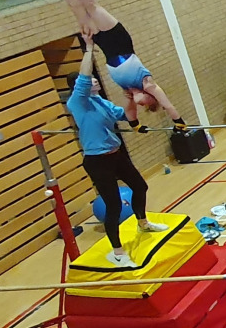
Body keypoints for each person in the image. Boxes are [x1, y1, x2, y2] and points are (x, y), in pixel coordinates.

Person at [37, 0, 186, 132]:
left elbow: (130, 114)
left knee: (75, 5)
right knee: (89, 3)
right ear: (152, 97)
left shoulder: (128, 91)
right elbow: (168, 105)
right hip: (119, 40)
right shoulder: (149, 84)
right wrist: (180, 123)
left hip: (103, 43)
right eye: (147, 104)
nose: (142, 105)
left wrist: (136, 125)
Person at [68, 40, 163, 268]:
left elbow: (125, 116)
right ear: (79, 86)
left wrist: (134, 99)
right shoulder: (78, 102)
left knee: (140, 186)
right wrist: (88, 49)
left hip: (115, 155)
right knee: (114, 207)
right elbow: (84, 76)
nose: (94, 79)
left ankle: (143, 223)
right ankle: (117, 252)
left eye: (94, 78)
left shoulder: (100, 101)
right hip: (97, 161)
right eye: (90, 79)